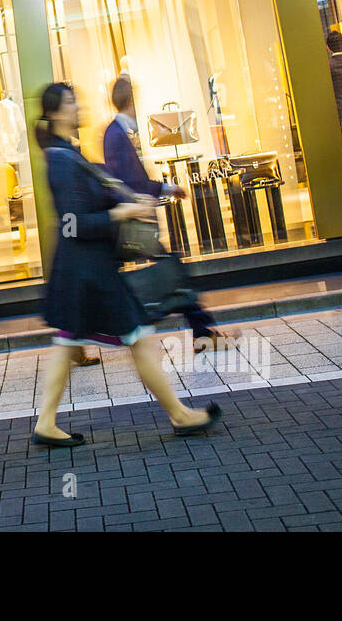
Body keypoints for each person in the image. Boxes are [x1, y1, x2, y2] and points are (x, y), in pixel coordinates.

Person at [31, 84, 223, 447]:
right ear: (56, 113)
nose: (78, 106)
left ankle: (45, 422)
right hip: (90, 273)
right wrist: (124, 211)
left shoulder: (65, 154)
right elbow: (73, 222)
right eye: (72, 102)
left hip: (81, 273)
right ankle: (180, 416)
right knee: (137, 336)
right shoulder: (60, 160)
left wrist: (128, 198)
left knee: (68, 341)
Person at [102, 75, 238, 352]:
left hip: (136, 218)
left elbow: (129, 179)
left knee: (170, 270)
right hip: (136, 222)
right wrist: (145, 199)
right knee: (172, 270)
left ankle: (200, 330)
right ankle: (197, 330)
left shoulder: (118, 133)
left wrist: (166, 188)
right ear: (130, 100)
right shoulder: (116, 135)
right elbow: (123, 182)